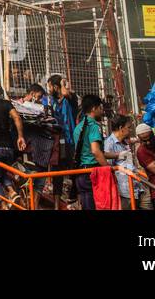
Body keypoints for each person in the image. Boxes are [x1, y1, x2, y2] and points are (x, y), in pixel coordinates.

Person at [43, 74, 79, 203]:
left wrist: (63, 83)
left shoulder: (71, 98)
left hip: (70, 141)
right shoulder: (50, 101)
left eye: (49, 86)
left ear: (55, 87)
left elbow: (65, 93)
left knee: (74, 171)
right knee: (56, 172)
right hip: (57, 141)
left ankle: (76, 200)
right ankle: (57, 205)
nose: (48, 89)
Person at [71, 94, 109, 210]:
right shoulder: (93, 126)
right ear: (94, 108)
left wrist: (117, 155)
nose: (101, 111)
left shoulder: (78, 127)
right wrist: (108, 168)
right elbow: (95, 151)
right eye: (100, 108)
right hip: (92, 172)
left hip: (81, 173)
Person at [102, 115, 139, 209]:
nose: (130, 130)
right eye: (128, 127)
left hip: (134, 188)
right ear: (121, 128)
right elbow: (108, 168)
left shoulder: (124, 142)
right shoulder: (109, 144)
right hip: (124, 192)